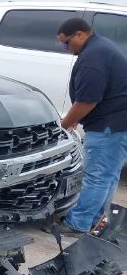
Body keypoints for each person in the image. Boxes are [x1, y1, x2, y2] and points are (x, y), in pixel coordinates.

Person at [52, 17, 127, 235]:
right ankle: (95, 218)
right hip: (118, 123)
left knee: (97, 176)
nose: (65, 48)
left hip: (109, 125)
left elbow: (87, 100)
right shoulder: (100, 48)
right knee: (108, 175)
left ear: (80, 34)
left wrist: (65, 124)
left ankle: (78, 223)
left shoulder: (93, 57)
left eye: (66, 43)